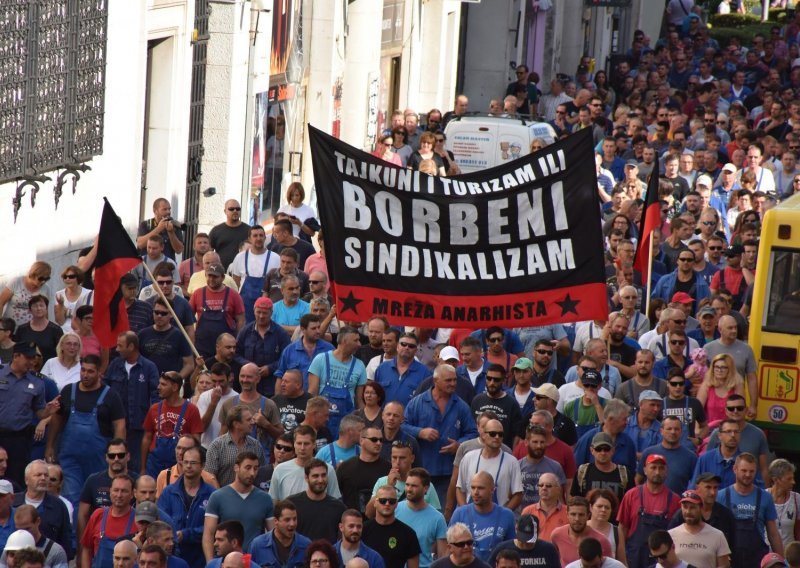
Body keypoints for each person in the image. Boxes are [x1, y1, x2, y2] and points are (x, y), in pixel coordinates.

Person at [44, 354, 126, 507]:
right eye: (83, 370)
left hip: (99, 459)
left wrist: (118, 454)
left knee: (99, 501)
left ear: (99, 372)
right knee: (72, 497)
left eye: (90, 371)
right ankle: (75, 531)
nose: (85, 375)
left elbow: (119, 426)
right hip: (70, 458)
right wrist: (50, 445)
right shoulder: (69, 391)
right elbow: (57, 419)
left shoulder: (110, 396)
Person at [405, 364, 478, 504]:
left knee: (445, 513)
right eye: (448, 380)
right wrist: (420, 432)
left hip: (449, 473)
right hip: (422, 469)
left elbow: (473, 432)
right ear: (435, 381)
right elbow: (402, 426)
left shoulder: (461, 406)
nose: (453, 384)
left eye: (455, 380)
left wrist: (459, 445)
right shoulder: (417, 403)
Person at [104, 332, 160, 473]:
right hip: (114, 427)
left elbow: (156, 397)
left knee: (136, 468)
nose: (117, 349)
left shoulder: (149, 367)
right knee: (115, 465)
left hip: (139, 429)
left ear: (131, 346)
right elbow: (106, 391)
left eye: (120, 346)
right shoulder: (115, 365)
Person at [202, 451, 274, 558]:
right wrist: (211, 563)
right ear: (236, 468)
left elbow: (272, 534)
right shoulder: (218, 497)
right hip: (225, 561)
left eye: (255, 468)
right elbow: (208, 535)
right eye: (248, 468)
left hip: (254, 561)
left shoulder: (265, 499)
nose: (252, 473)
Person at [718, 453, 784, 568]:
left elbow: (773, 534)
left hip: (756, 561)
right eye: (744, 470)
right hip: (728, 561)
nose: (748, 475)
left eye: (751, 471)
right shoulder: (721, 496)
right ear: (735, 469)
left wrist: (782, 562)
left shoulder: (765, 497)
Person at [156, 445, 216, 568]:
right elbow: (160, 522)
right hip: (173, 558)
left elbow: (214, 528)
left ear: (202, 465)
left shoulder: (212, 494)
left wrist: (186, 534)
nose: (188, 466)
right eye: (186, 462)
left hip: (200, 557)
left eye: (193, 463)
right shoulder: (169, 492)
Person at [617, 454, 680, 568]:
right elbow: (622, 529)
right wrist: (622, 559)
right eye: (653, 467)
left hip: (661, 561)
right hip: (634, 558)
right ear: (645, 470)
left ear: (666, 471)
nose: (657, 472)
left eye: (661, 468)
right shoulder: (631, 495)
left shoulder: (675, 500)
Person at [140, 372, 203, 477]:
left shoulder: (192, 410)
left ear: (175, 387)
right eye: (159, 384)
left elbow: (196, 442)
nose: (158, 387)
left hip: (179, 465)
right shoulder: (154, 408)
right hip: (154, 465)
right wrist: (143, 468)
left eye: (163, 384)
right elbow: (147, 438)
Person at [308, 326, 367, 438]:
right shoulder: (321, 359)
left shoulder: (360, 366)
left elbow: (359, 400)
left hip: (345, 425)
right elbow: (312, 393)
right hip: (321, 422)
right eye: (356, 340)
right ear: (344, 341)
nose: (359, 344)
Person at [450, 472, 516, 562]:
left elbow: (512, 551)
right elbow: (450, 549)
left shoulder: (507, 515)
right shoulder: (459, 514)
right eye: (473, 488)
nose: (475, 492)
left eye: (480, 488)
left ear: (492, 490)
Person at [456, 420, 522, 510]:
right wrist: (466, 513)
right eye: (492, 433)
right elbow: (460, 489)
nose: (497, 437)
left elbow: (518, 494)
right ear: (483, 435)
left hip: (498, 518)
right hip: (471, 516)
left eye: (500, 434)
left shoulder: (512, 462)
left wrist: (504, 515)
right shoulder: (469, 458)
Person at [703, 315, 758, 419]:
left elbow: (752, 379)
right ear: (720, 329)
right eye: (730, 328)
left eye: (735, 327)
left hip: (736, 400)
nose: (734, 331)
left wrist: (753, 405)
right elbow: (704, 378)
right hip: (713, 402)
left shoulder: (746, 349)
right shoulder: (708, 349)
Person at [235, 296, 291, 397]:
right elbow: (236, 354)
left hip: (272, 386)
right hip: (248, 386)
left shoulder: (281, 333)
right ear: (253, 311)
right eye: (258, 312)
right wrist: (249, 366)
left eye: (265, 313)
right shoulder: (245, 331)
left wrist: (270, 368)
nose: (261, 316)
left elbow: (287, 358)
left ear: (271, 313)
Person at [188, 263, 245, 358]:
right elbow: (188, 320)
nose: (211, 279)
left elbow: (241, 320)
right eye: (209, 275)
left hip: (226, 349)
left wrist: (237, 341)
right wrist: (191, 342)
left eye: (215, 276)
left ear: (223, 278)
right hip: (202, 347)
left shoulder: (233, 295)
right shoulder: (198, 294)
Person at [80, 475, 137, 568]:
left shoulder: (138, 519)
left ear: (132, 494)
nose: (119, 495)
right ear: (110, 492)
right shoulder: (98, 515)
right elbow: (86, 549)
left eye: (124, 491)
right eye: (116, 490)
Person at [395, 467, 448, 568]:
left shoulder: (438, 518)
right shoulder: (395, 510)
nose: (409, 489)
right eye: (407, 485)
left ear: (426, 488)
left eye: (414, 486)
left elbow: (443, 557)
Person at [270, 426, 340, 501]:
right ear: (294, 444)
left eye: (306, 444)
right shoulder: (280, 470)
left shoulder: (327, 470)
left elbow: (334, 500)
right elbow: (274, 500)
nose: (302, 448)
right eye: (299, 443)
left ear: (314, 445)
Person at [287, 458, 346, 544]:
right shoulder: (292, 504)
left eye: (323, 475)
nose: (320, 480)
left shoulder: (339, 508)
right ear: (306, 478)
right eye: (315, 476)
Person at [667, 489, 731, 568]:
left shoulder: (718, 536)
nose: (688, 511)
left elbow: (724, 565)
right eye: (685, 507)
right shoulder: (670, 535)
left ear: (701, 508)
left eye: (692, 507)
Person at [362, 484, 421, 568]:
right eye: (383, 500)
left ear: (396, 504)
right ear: (375, 503)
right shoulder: (363, 530)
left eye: (391, 501)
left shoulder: (408, 533)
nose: (387, 504)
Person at [337, 426, 391, 513]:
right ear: (361, 441)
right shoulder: (345, 467)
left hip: (378, 521)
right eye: (374, 439)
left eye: (381, 440)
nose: (378, 443)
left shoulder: (388, 468)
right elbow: (336, 496)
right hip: (352, 522)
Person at [273, 314, 334, 391]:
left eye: (319, 327)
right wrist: (279, 400)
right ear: (303, 329)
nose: (318, 331)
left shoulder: (329, 349)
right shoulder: (289, 351)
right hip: (295, 399)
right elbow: (280, 376)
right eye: (313, 328)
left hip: (321, 399)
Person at [550, 497, 613, 568]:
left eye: (581, 515)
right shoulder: (557, 535)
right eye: (573, 514)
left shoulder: (601, 540)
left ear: (588, 516)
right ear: (567, 514)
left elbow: (608, 565)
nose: (577, 519)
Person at [571, 432, 632, 505]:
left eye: (606, 449)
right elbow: (575, 501)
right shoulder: (583, 472)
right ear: (592, 450)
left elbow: (630, 503)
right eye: (598, 449)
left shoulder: (624, 474)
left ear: (613, 450)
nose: (603, 453)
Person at [247, 499, 310, 568]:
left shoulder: (306, 545)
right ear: (276, 521)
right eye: (287, 520)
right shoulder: (257, 545)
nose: (292, 524)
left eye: (295, 519)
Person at [374, 332, 430, 405]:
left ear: (416, 350)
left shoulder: (425, 373)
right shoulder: (382, 368)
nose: (406, 347)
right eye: (403, 344)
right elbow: (375, 395)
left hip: (410, 416)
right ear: (397, 346)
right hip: (383, 415)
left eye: (411, 346)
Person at [487, 514, 561, 567]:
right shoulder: (502, 549)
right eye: (523, 539)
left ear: (538, 532)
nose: (526, 544)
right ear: (516, 530)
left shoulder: (548, 550)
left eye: (530, 540)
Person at [766, 459, 800, 548]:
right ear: (776, 480)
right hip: (766, 556)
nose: (793, 482)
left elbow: (798, 530)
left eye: (793, 478)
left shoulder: (797, 499)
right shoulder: (763, 497)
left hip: (788, 557)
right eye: (789, 479)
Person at [209, 200, 250, 270]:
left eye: (238, 209)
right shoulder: (216, 231)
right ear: (225, 211)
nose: (235, 211)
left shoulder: (249, 230)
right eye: (231, 209)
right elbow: (209, 253)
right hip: (221, 273)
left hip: (244, 272)